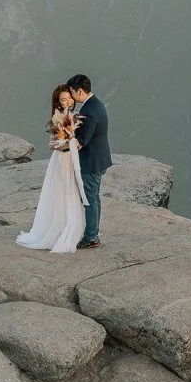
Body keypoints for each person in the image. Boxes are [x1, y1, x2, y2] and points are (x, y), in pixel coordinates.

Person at [15, 84, 87, 253]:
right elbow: (53, 144)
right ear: (58, 102)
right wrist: (67, 142)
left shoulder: (78, 116)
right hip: (62, 160)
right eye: (63, 99)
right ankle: (60, 229)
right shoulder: (58, 118)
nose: (67, 101)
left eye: (69, 98)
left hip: (74, 159)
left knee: (74, 192)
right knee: (62, 193)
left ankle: (75, 228)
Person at [66, 73, 111, 250]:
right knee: (94, 197)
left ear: (79, 91)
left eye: (72, 92)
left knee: (89, 198)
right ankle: (94, 232)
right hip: (100, 159)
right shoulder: (96, 104)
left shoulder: (89, 112)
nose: (71, 96)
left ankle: (91, 237)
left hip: (91, 161)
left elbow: (81, 141)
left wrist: (63, 140)